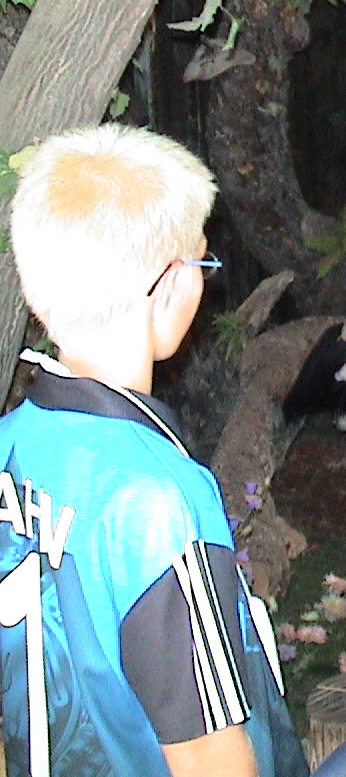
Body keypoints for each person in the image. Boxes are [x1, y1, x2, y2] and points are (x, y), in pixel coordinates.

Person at [0, 124, 308, 777]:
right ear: (168, 285)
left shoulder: (11, 446)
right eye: (201, 263)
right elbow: (209, 758)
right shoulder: (160, 500)